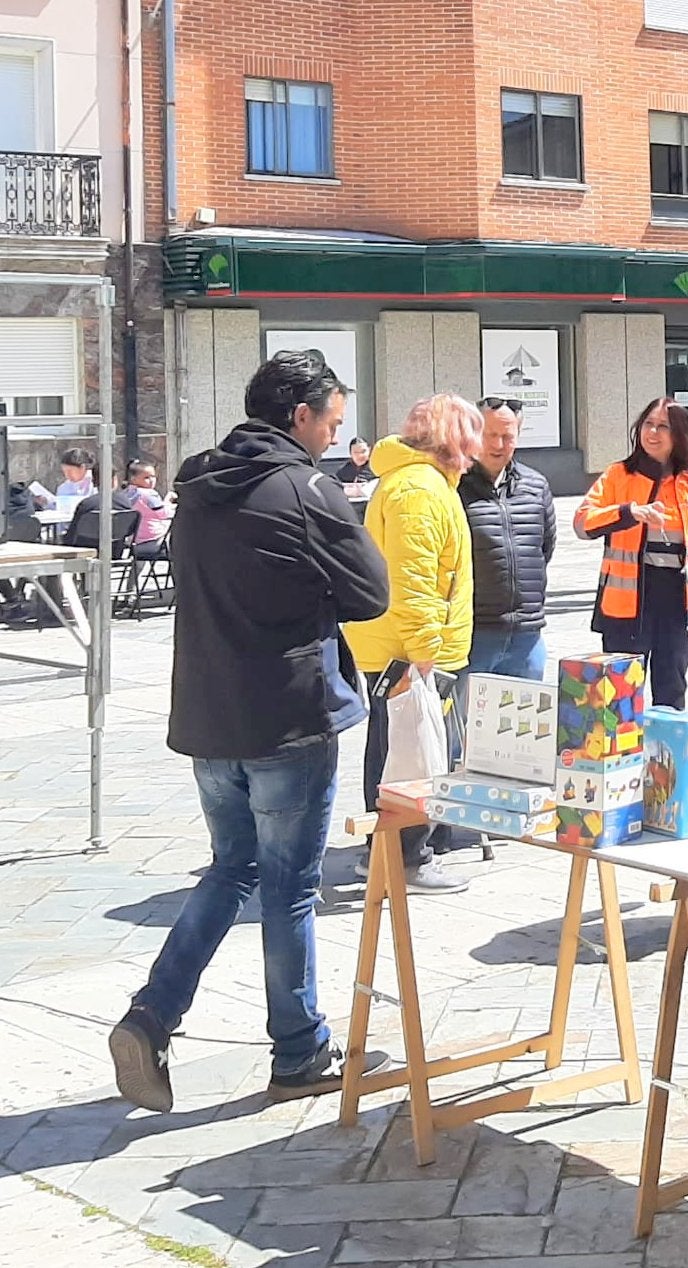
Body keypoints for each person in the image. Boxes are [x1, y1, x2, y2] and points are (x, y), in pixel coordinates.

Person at [108, 350, 392, 1112]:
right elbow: (371, 593)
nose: (335, 437)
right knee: (290, 888)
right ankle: (299, 1051)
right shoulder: (306, 489)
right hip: (288, 714)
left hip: (208, 713)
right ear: (299, 415)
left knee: (232, 868)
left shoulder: (198, 484)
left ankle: (151, 1015)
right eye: (331, 421)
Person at [345, 394, 484, 895]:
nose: (477, 451)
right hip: (408, 651)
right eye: (472, 437)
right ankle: (404, 857)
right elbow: (414, 578)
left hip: (405, 647)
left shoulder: (418, 482)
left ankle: (390, 852)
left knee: (397, 748)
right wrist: (425, 649)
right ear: (453, 439)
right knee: (410, 754)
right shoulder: (420, 488)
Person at [575, 398, 688, 708]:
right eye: (648, 424)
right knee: (619, 701)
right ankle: (625, 757)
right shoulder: (618, 474)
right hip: (627, 608)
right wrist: (629, 512)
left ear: (679, 434)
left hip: (677, 604)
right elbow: (582, 523)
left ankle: (665, 756)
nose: (653, 432)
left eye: (663, 426)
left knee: (672, 694)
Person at [459, 397, 555, 682]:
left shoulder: (536, 486)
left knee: (522, 725)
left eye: (507, 437)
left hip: (526, 638)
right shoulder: (454, 486)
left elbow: (544, 548)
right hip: (474, 636)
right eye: (490, 435)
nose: (499, 445)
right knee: (467, 726)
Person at [126, 460, 175, 559]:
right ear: (134, 479)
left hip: (134, 542)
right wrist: (173, 504)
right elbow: (165, 514)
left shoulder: (128, 493)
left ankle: (134, 575)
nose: (152, 480)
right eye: (146, 477)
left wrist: (165, 503)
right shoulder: (149, 494)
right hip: (154, 541)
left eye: (153, 477)